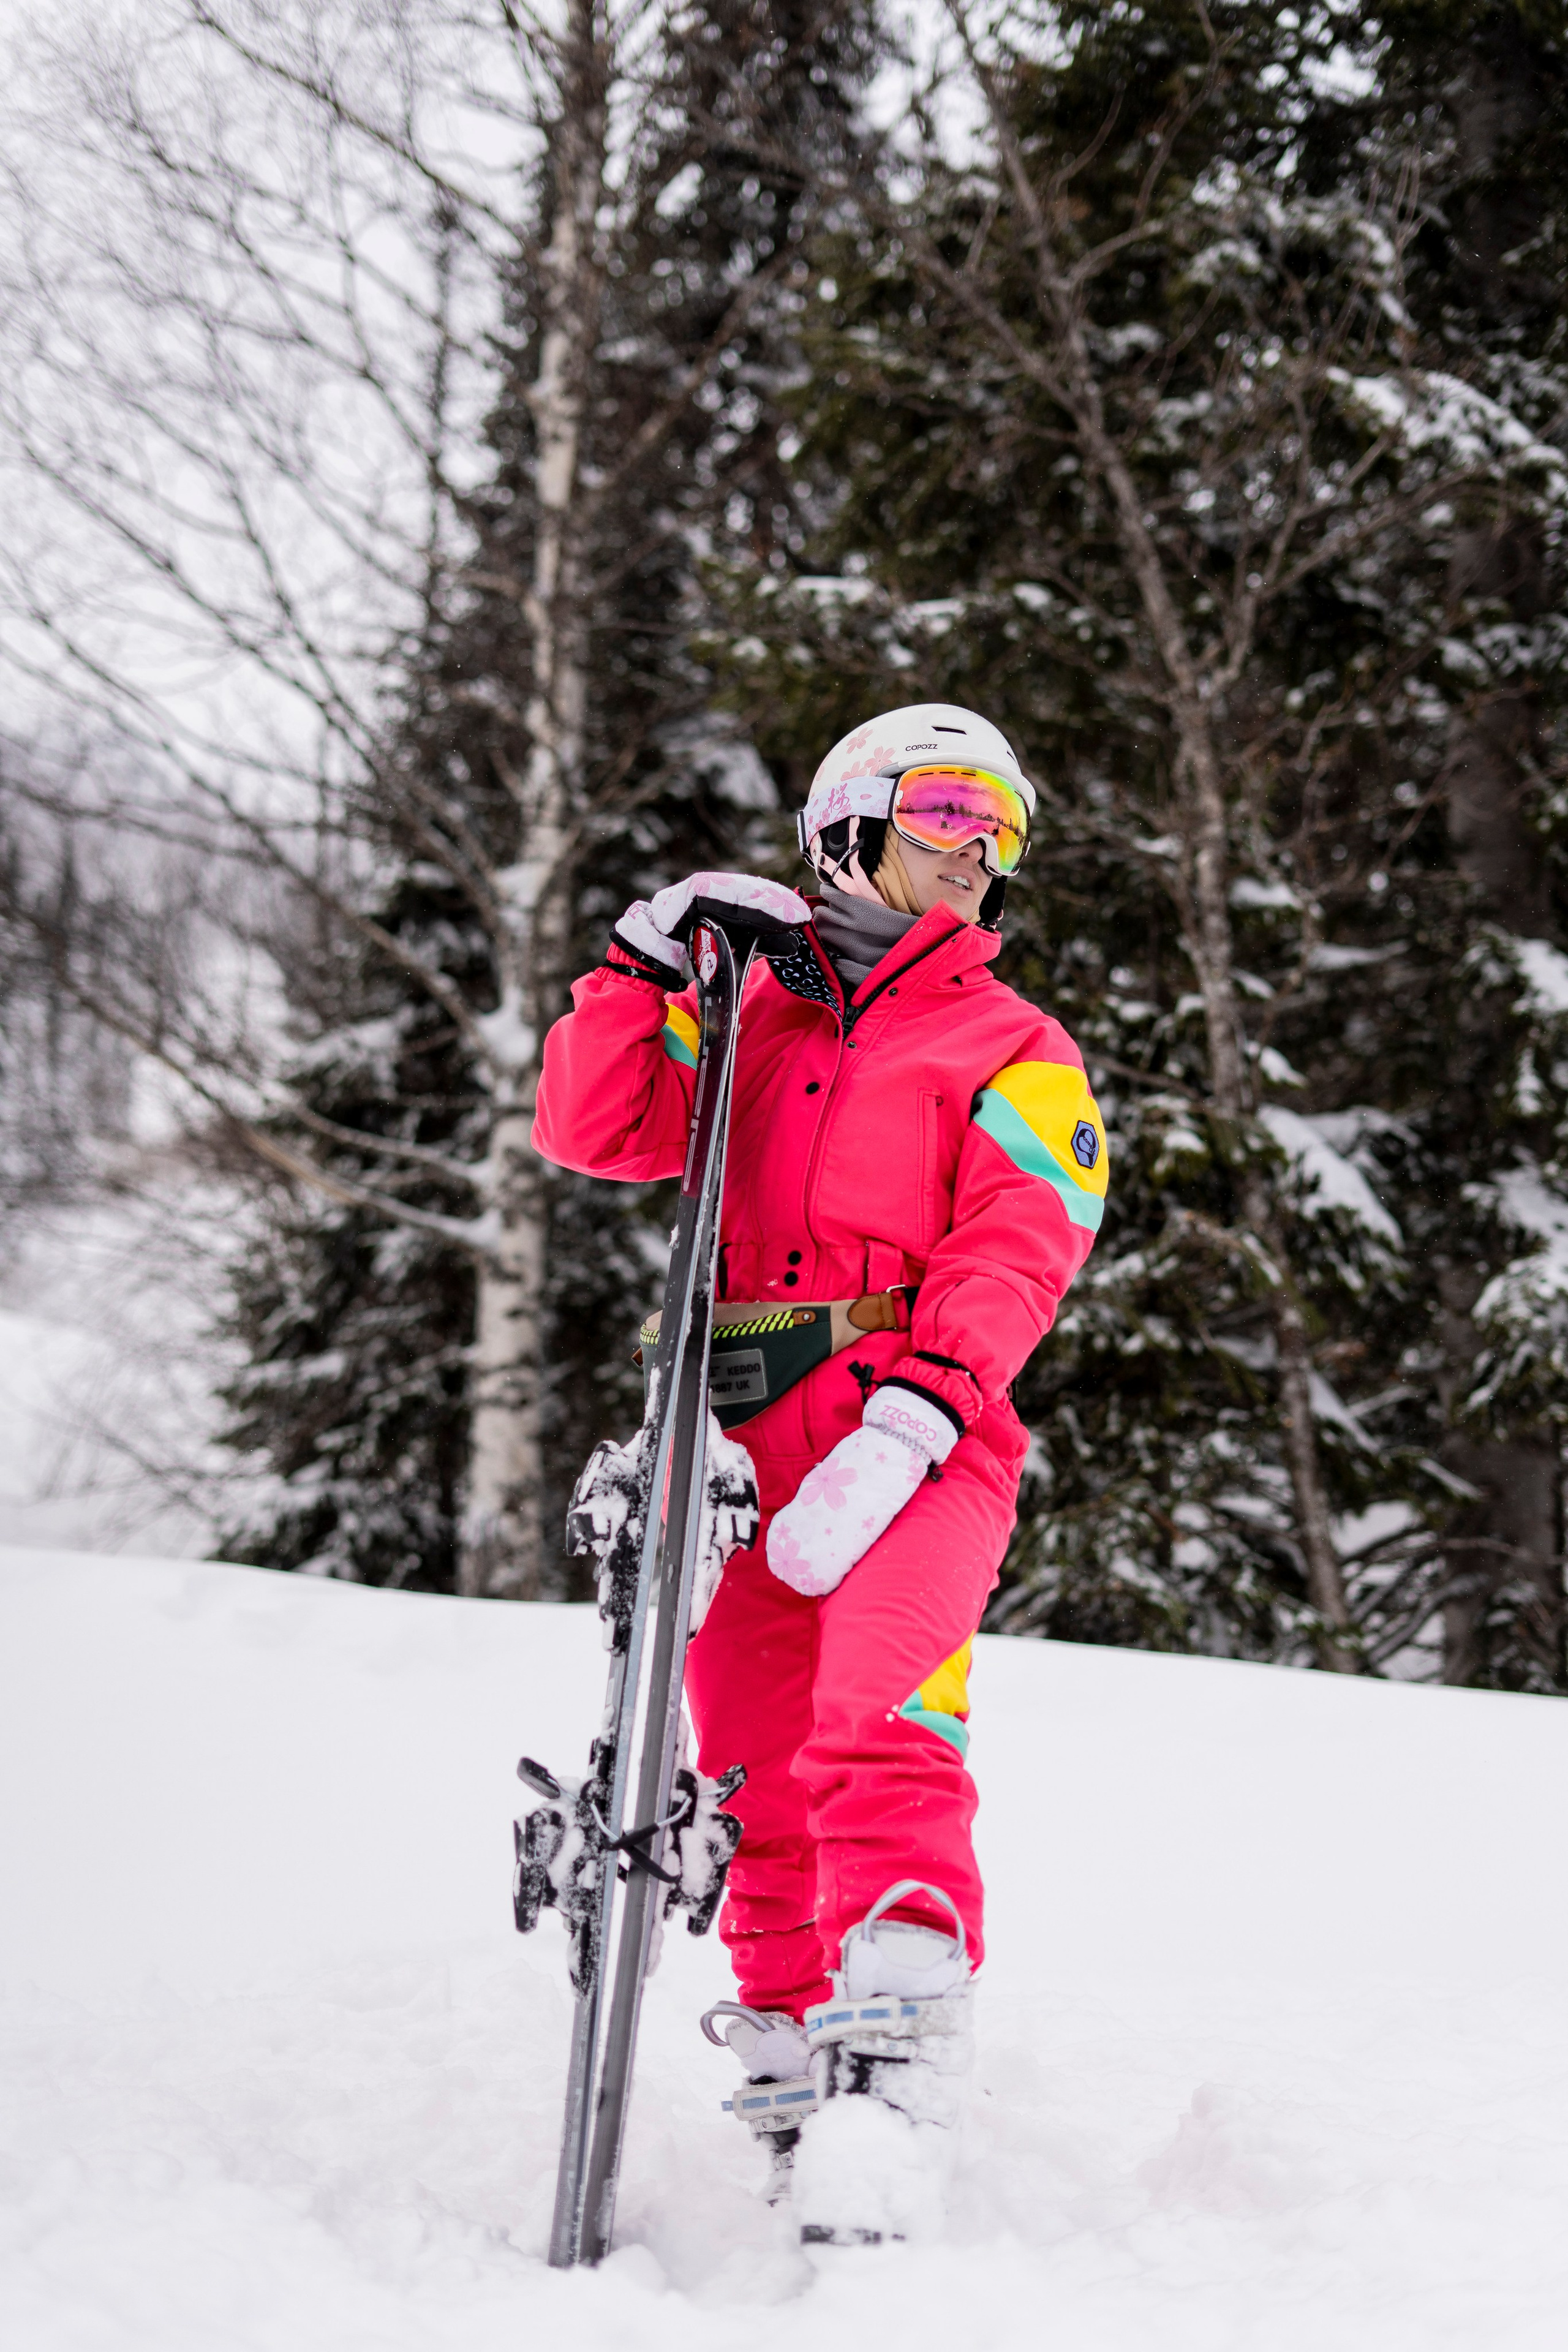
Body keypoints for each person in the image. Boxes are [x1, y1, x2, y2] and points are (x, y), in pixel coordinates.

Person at [532, 703, 1106, 2239]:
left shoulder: (1014, 1046)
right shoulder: (745, 1022)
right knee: (750, 1772)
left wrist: (917, 1414)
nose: (977, 847)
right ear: (845, 822)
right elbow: (591, 1129)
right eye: (945, 808)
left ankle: (899, 2070)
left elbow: (1020, 1241)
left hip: (909, 1429)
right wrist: (639, 969)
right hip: (730, 1434)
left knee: (880, 1720)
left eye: (1000, 824)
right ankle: (792, 2067)